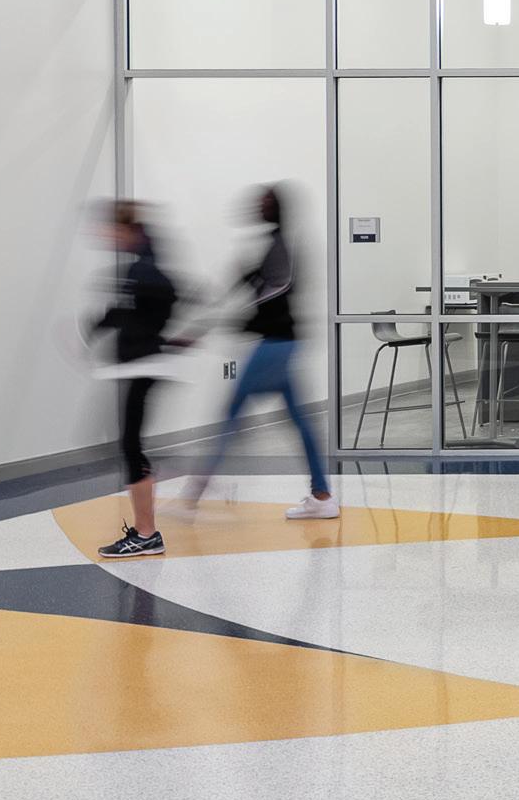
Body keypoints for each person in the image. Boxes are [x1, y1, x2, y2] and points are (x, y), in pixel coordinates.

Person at [176, 184, 335, 521]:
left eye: (265, 202)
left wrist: (234, 316)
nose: (258, 207)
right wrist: (200, 327)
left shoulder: (282, 246)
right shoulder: (273, 245)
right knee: (299, 421)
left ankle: (198, 488)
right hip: (279, 344)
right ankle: (322, 495)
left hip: (275, 346)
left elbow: (277, 289)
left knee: (233, 412)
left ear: (277, 208)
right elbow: (245, 287)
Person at [89, 201, 185, 560]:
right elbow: (139, 307)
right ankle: (146, 532)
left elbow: (162, 296)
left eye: (112, 229)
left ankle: (147, 534)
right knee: (131, 443)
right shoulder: (143, 262)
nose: (107, 236)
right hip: (142, 363)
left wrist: (123, 326)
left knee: (131, 445)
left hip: (144, 365)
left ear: (126, 230)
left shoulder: (143, 268)